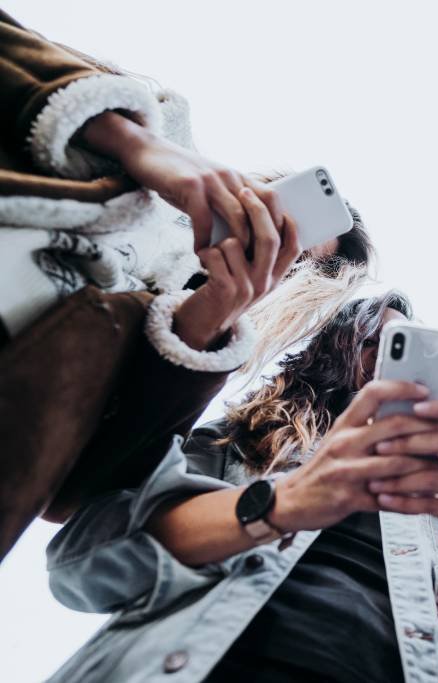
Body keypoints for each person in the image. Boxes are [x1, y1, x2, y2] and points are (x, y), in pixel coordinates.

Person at [0, 10, 370, 558]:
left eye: (294, 266)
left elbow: (73, 498)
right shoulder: (156, 123)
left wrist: (209, 318)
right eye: (280, 225)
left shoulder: (190, 352)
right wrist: (132, 143)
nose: (272, 250)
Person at [46, 292, 438, 683]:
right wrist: (284, 501)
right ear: (335, 351)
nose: (386, 363)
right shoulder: (244, 436)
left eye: (401, 349)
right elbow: (83, 562)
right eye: (373, 341)